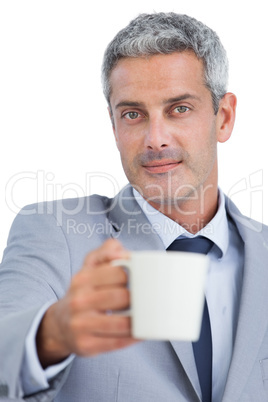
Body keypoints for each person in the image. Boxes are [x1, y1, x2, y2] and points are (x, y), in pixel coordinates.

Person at [0, 11, 268, 402]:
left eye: (179, 108)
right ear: (113, 127)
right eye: (133, 114)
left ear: (223, 118)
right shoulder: (54, 231)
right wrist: (51, 333)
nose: (155, 138)